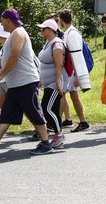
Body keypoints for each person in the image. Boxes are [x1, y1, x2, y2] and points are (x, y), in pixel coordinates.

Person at [0, 8, 52, 155]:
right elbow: (3, 60)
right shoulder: (12, 35)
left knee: (34, 112)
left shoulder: (18, 33)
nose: (1, 22)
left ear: (8, 20)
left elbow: (14, 57)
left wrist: (1, 75)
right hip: (15, 84)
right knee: (7, 114)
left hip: (25, 82)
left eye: (2, 19)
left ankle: (45, 143)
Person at [58, 9, 91, 133]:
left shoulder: (71, 34)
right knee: (72, 96)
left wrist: (78, 75)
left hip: (72, 71)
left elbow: (77, 55)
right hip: (70, 71)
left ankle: (55, 124)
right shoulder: (69, 32)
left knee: (61, 94)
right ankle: (82, 121)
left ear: (61, 20)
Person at [37, 18, 66, 148]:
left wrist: (58, 83)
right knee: (52, 109)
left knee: (46, 108)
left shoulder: (57, 44)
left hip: (54, 84)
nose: (42, 31)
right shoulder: (48, 43)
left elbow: (59, 64)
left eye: (43, 29)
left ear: (50, 30)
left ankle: (59, 134)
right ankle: (57, 136)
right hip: (48, 83)